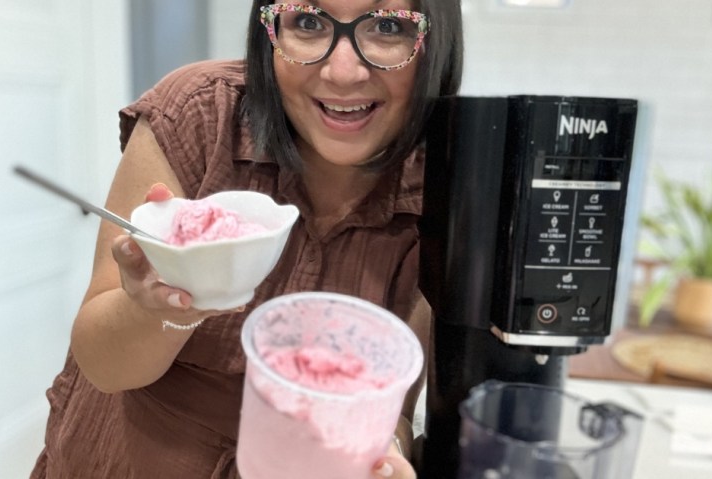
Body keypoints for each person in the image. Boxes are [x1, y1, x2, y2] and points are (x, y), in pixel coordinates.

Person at [31, 0, 463, 478]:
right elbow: (105, 366)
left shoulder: (448, 190)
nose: (343, 72)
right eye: (308, 21)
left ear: (434, 43)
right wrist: (156, 307)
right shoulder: (201, 113)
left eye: (387, 27)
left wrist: (385, 457)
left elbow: (393, 413)